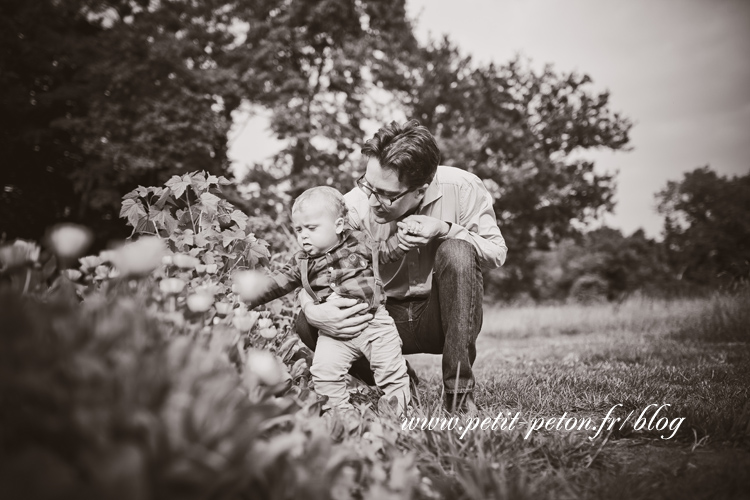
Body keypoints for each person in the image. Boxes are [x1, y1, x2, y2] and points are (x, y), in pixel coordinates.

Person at [297, 120, 507, 412]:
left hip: (441, 317)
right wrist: (310, 308)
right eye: (367, 184)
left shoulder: (462, 188)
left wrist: (445, 228)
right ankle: (399, 383)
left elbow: (496, 253)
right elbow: (306, 268)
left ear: (420, 191)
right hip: (378, 319)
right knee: (306, 323)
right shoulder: (352, 208)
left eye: (385, 194)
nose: (371, 200)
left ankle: (459, 396)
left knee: (458, 250)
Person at [239, 186, 411, 415]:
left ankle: (398, 411)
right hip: (334, 333)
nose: (303, 236)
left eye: (311, 228)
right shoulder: (301, 262)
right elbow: (277, 283)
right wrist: (245, 297)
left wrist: (404, 238)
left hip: (374, 323)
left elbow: (386, 250)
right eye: (298, 230)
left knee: (391, 370)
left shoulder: (359, 242)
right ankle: (341, 414)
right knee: (323, 373)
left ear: (338, 225)